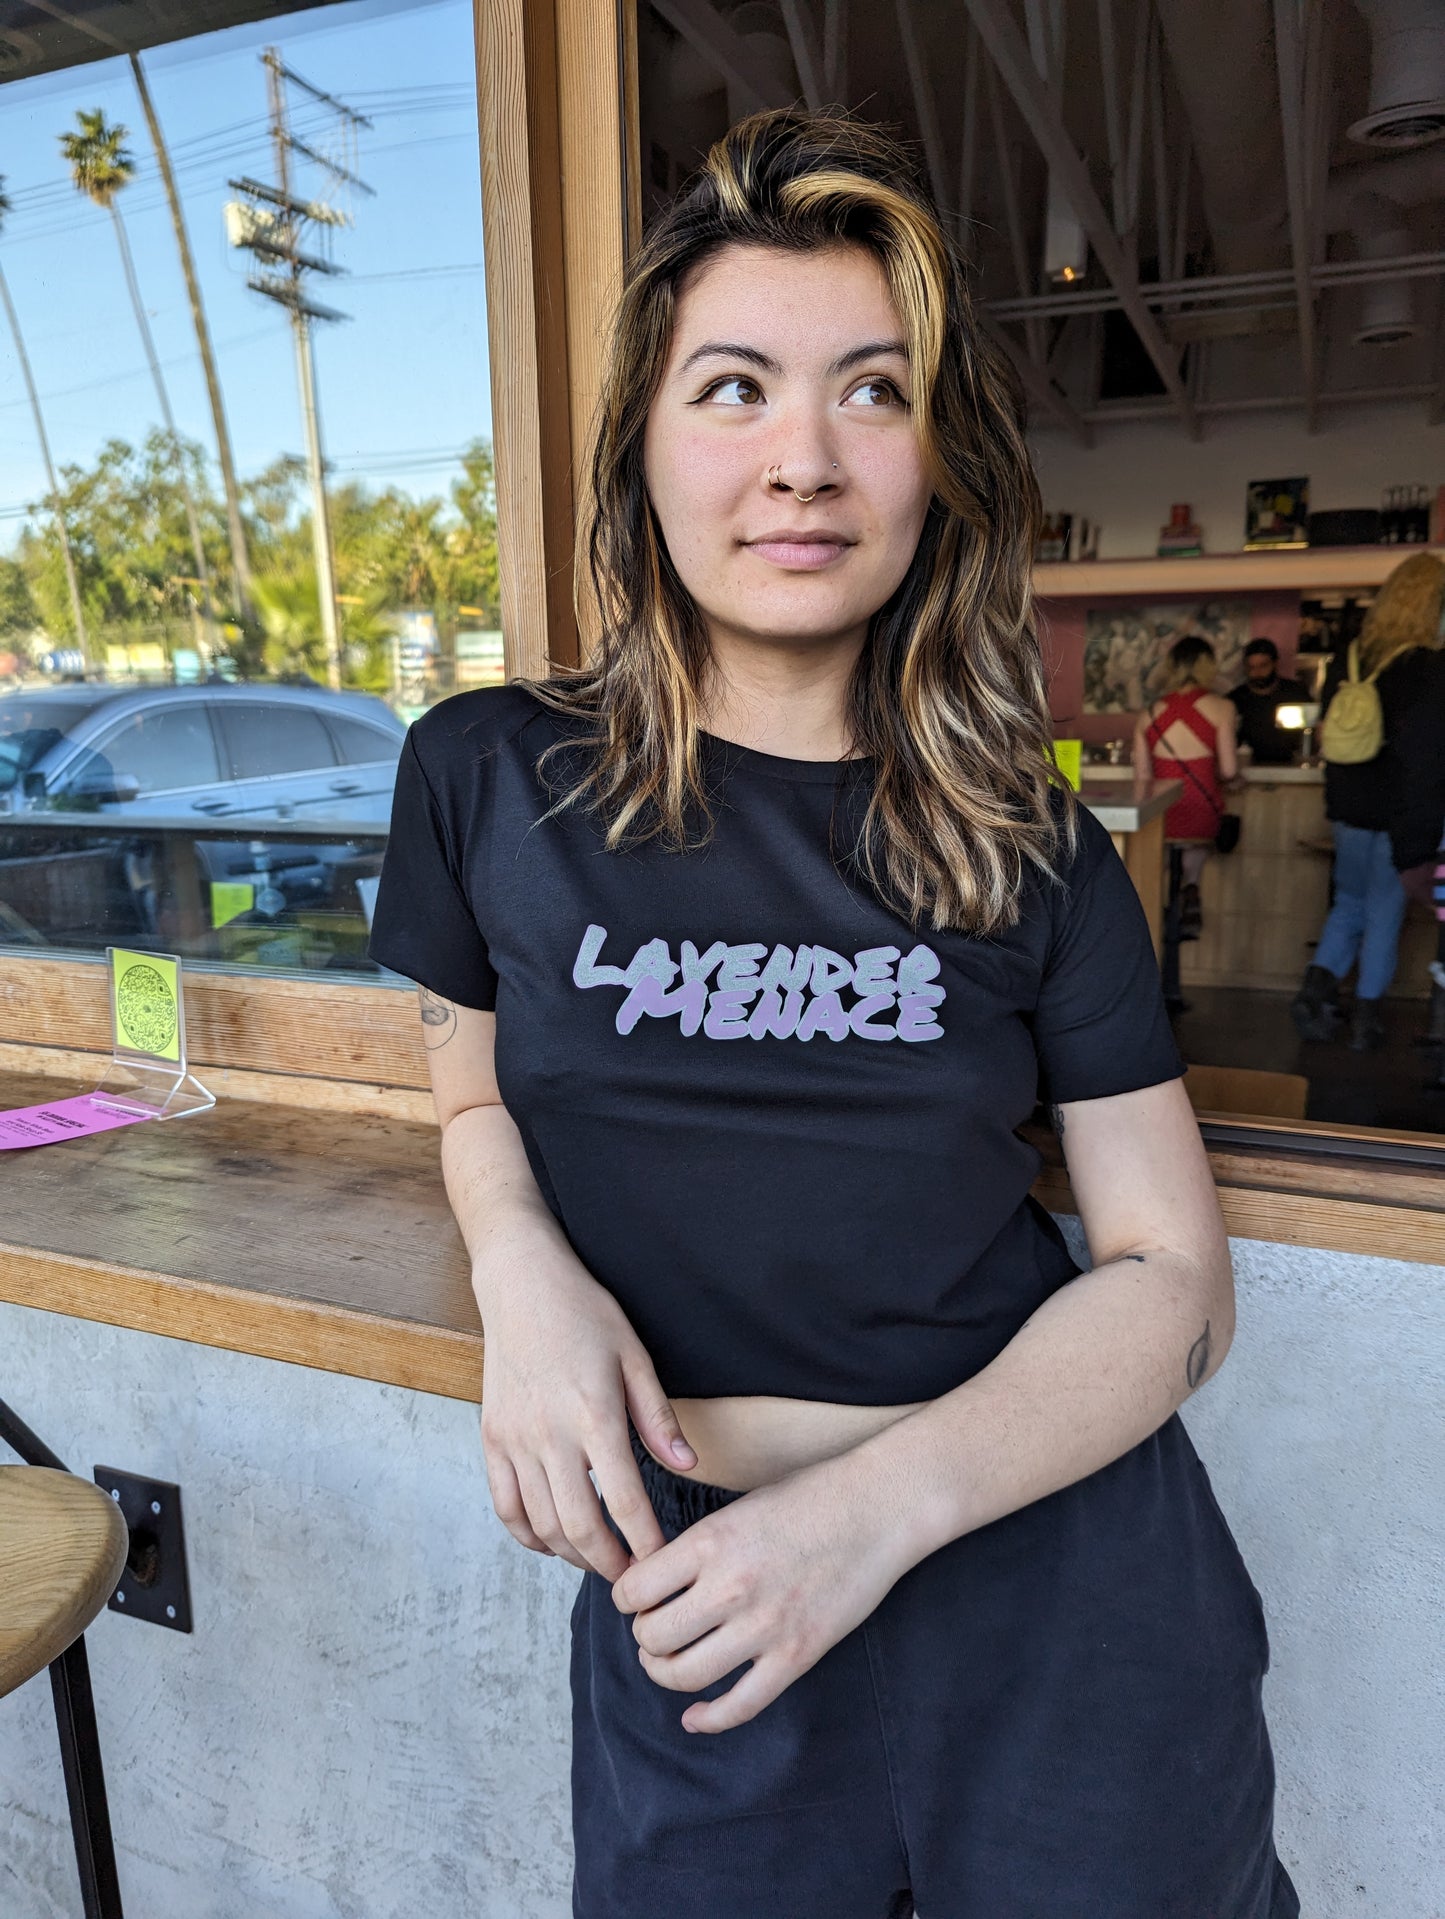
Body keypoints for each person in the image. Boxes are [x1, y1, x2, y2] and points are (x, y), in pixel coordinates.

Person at [368, 111, 1297, 1919]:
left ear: (935, 462)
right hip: (695, 1602)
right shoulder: (485, 775)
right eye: (734, 386)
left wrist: (873, 1513)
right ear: (641, 443)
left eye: (871, 392)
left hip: (1060, 1591)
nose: (802, 457)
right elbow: (462, 1062)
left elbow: (1174, 1277)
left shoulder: (1028, 838)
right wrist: (521, 1274)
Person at [1292, 552, 1445, 1051]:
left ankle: (1314, 992)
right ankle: (1368, 1020)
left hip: (1348, 811)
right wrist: (1417, 841)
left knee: (1349, 905)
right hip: (1395, 815)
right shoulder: (1427, 667)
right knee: (1384, 914)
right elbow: (1424, 761)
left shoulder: (1352, 656)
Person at [1133, 635, 1239, 938]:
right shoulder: (1222, 708)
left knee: (1158, 874)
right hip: (1202, 810)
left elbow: (1142, 778)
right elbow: (1229, 770)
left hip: (1163, 811)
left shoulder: (1148, 714)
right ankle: (1189, 891)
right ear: (1208, 666)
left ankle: (1159, 920)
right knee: (1191, 862)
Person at [1229, 637, 1309, 765]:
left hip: (1293, 765)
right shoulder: (1235, 699)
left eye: (1263, 666)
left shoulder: (1295, 693)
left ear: (1275, 664)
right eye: (1251, 667)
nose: (1257, 673)